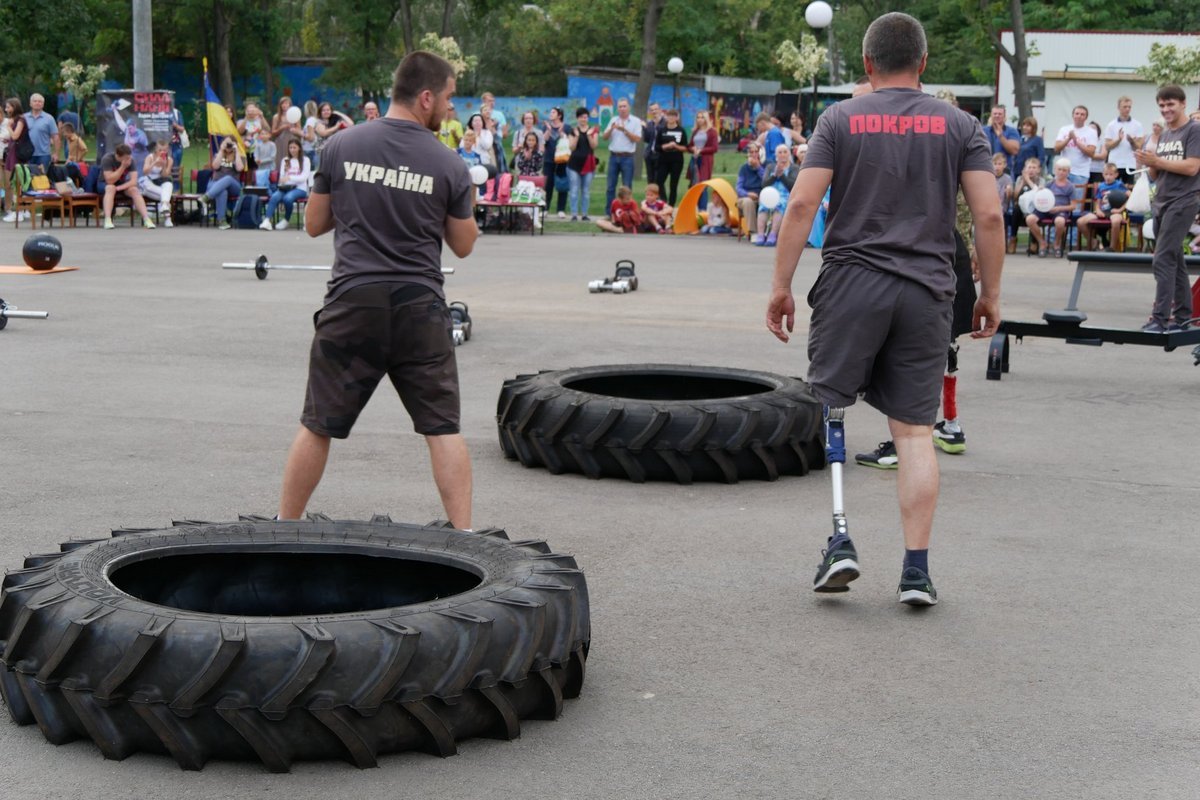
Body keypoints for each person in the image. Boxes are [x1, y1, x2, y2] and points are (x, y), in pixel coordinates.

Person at [765, 12, 1003, 606]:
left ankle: (841, 543)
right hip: (927, 290)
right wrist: (990, 295)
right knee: (916, 432)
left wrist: (781, 285)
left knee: (834, 405)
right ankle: (917, 572)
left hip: (852, 281)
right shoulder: (961, 125)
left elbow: (800, 207)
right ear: (923, 63)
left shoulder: (839, 118)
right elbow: (991, 216)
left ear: (867, 65)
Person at [278, 51, 477, 527]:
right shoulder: (449, 163)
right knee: (442, 428)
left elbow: (313, 224)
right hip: (419, 308)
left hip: (353, 302)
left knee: (317, 425)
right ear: (426, 96)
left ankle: (283, 530)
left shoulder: (340, 147)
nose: (451, 108)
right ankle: (468, 538)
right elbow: (463, 245)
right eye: (448, 98)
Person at [1135, 84, 1200, 333]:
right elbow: (1156, 171)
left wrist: (1157, 160)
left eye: (1170, 104)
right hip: (1162, 200)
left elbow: (1193, 167)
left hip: (1183, 200)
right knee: (1176, 260)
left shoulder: (1194, 130)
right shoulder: (1164, 134)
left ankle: (1160, 318)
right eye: (1162, 105)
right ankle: (1184, 317)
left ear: (1183, 104)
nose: (1166, 109)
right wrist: (1146, 161)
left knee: (1162, 258)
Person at [1025, 157, 1077, 258]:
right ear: (1055, 170)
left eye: (1064, 170)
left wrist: (1058, 209)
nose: (1061, 172)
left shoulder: (1070, 187)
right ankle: (1042, 243)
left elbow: (1073, 206)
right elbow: (1041, 196)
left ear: (1068, 172)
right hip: (1045, 208)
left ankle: (1056, 244)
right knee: (1030, 219)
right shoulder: (1049, 183)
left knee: (1060, 222)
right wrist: (1040, 191)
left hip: (1060, 210)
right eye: (1059, 169)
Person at [100, 143, 156, 229]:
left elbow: (133, 181)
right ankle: (108, 219)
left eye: (129, 157)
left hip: (120, 184)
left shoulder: (131, 160)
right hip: (104, 183)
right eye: (126, 158)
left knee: (134, 190)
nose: (129, 159)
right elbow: (109, 180)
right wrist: (122, 167)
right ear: (118, 156)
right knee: (110, 188)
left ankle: (146, 219)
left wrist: (119, 188)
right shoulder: (107, 159)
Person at [602, 98, 642, 214]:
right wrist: (611, 129)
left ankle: (627, 212)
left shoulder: (635, 121)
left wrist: (624, 130)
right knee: (610, 187)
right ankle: (610, 212)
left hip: (627, 157)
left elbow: (637, 139)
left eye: (624, 106)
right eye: (620, 107)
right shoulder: (614, 120)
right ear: (617, 108)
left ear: (629, 107)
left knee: (627, 186)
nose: (622, 109)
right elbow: (604, 137)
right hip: (614, 157)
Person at [261, 138, 311, 230]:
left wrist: (290, 178)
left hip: (300, 188)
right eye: (290, 147)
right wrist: (284, 179)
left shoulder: (305, 160)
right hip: (286, 187)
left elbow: (304, 177)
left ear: (299, 148)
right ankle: (267, 221)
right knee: (275, 197)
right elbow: (282, 177)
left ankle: (286, 220)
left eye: (294, 147)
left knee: (288, 198)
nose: (292, 150)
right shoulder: (285, 160)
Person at [754, 143, 798, 246]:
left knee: (780, 204)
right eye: (780, 152)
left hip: (785, 195)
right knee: (763, 206)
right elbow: (764, 184)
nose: (782, 154)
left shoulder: (794, 168)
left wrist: (782, 175)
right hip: (769, 194)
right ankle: (760, 234)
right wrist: (774, 175)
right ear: (776, 155)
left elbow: (793, 186)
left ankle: (773, 234)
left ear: (789, 154)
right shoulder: (770, 167)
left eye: (785, 152)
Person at [1077, 162, 1127, 251]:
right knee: (1080, 222)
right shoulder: (1101, 186)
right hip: (1102, 211)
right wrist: (1098, 210)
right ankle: (1093, 241)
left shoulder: (1119, 185)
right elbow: (1097, 201)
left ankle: (1112, 247)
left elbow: (1130, 197)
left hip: (1114, 211)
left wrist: (1120, 209)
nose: (1108, 177)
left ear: (1116, 175)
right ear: (1102, 174)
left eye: (1111, 174)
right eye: (1106, 174)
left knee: (1116, 221)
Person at [206, 136, 245, 230]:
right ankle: (222, 221)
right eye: (226, 143)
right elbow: (215, 166)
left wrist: (237, 151)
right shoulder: (218, 155)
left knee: (228, 178)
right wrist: (221, 150)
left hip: (233, 186)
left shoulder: (240, 156)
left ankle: (207, 196)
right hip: (215, 184)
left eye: (230, 144)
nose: (228, 146)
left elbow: (240, 168)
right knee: (222, 191)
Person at [566, 107, 597, 221]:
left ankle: (584, 214)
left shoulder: (593, 130)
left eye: (585, 117)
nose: (583, 119)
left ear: (588, 118)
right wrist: (577, 136)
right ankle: (574, 214)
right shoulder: (572, 130)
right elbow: (571, 147)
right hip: (574, 165)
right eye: (581, 117)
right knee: (574, 190)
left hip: (588, 165)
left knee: (585, 191)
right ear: (577, 118)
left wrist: (588, 135)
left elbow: (594, 146)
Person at [1104, 96, 1144, 184]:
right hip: (1114, 164)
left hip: (1130, 164)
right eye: (1125, 107)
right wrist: (1118, 140)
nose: (1127, 109)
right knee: (1114, 191)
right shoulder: (1111, 125)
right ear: (1118, 108)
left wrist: (1132, 141)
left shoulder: (1137, 125)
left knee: (1129, 191)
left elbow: (1139, 147)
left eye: (1129, 107)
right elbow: (1107, 146)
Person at [1054, 105, 1097, 185]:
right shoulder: (1064, 129)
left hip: (1080, 173)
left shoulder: (1091, 132)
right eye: (1077, 113)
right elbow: (1056, 148)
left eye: (1082, 114)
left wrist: (1076, 141)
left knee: (1077, 198)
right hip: (1063, 171)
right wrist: (1068, 139)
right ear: (1073, 115)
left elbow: (1091, 153)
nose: (1079, 116)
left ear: (1086, 117)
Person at [2, 98, 29, 222]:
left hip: (17, 155)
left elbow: (15, 135)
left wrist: (8, 127)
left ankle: (19, 211)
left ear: (15, 107)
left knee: (16, 182)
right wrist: (9, 140)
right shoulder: (16, 120)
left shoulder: (20, 120)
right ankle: (20, 210)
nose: (7, 110)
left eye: (8, 107)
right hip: (12, 152)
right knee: (13, 182)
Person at [653, 108, 688, 207]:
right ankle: (663, 202)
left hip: (676, 160)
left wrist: (676, 146)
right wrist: (665, 146)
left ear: (677, 118)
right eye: (669, 116)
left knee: (673, 184)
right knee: (659, 181)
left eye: (673, 116)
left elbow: (685, 147)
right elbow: (656, 147)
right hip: (663, 160)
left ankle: (671, 206)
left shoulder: (681, 130)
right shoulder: (662, 130)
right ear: (666, 117)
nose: (671, 118)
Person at [1011, 157, 1044, 255]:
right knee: (1015, 210)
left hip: (1035, 208)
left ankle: (1034, 242)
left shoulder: (1041, 180)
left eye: (1034, 167)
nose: (1031, 170)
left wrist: (1029, 181)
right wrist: (1022, 182)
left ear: (1038, 170)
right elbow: (1015, 196)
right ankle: (1013, 239)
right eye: (1029, 167)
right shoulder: (1019, 179)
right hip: (1021, 209)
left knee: (1033, 214)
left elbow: (1039, 194)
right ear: (1025, 169)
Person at [138, 140, 175, 227]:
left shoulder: (169, 160)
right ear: (155, 149)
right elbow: (145, 172)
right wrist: (154, 163)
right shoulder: (150, 157)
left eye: (165, 150)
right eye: (160, 150)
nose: (162, 152)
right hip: (148, 183)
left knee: (169, 184)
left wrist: (164, 165)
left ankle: (164, 205)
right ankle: (167, 217)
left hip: (159, 182)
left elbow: (165, 175)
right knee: (166, 195)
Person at [542, 107, 569, 219]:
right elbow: (543, 141)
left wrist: (561, 132)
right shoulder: (546, 127)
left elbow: (568, 141)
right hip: (548, 160)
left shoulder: (566, 127)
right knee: (548, 185)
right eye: (550, 111)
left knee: (562, 184)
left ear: (559, 115)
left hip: (562, 160)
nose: (551, 114)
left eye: (553, 112)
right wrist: (548, 130)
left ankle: (561, 209)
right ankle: (545, 208)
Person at [736, 144, 765, 240]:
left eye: (756, 152)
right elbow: (738, 187)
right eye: (751, 152)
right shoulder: (744, 168)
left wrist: (758, 167)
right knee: (748, 202)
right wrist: (747, 194)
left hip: (760, 195)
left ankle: (765, 231)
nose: (754, 154)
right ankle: (753, 232)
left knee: (765, 200)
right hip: (745, 196)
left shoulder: (765, 165)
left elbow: (766, 180)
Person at [23, 93, 58, 172]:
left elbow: (55, 137)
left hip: (43, 155)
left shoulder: (49, 118)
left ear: (43, 104)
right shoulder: (24, 117)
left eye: (40, 101)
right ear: (30, 103)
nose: (37, 103)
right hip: (27, 154)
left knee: (41, 179)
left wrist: (56, 153)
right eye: (35, 101)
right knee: (27, 178)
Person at [985, 104, 1020, 176]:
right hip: (986, 170)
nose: (997, 116)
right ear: (991, 115)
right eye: (995, 114)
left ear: (1004, 116)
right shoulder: (983, 130)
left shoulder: (1011, 131)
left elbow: (1014, 150)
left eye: (1000, 114)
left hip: (1005, 171)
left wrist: (1001, 136)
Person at [270, 96, 302, 172]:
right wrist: (282, 127)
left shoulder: (295, 114)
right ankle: (280, 176)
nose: (284, 105)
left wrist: (294, 129)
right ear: (280, 105)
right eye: (282, 104)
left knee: (291, 157)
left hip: (292, 139)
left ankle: (293, 174)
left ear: (290, 105)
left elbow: (299, 129)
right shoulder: (276, 117)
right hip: (280, 141)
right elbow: (273, 132)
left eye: (286, 103)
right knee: (281, 159)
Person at [992, 152, 1013, 249]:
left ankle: (1000, 245)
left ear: (1004, 165)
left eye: (999, 164)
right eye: (995, 164)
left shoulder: (1007, 178)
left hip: (1002, 207)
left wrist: (1008, 191)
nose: (997, 167)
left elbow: (1009, 198)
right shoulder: (989, 177)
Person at [237, 101, 266, 170]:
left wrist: (262, 117)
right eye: (249, 110)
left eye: (253, 109)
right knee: (246, 169)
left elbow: (267, 130)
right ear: (246, 111)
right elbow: (240, 131)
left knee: (257, 169)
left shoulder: (260, 120)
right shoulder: (241, 121)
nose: (251, 112)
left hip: (258, 149)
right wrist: (246, 117)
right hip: (245, 148)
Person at [642, 102, 664, 189]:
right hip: (649, 154)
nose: (654, 111)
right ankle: (650, 199)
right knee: (650, 179)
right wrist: (644, 128)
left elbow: (663, 137)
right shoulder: (650, 124)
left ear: (660, 110)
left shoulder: (664, 123)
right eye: (651, 110)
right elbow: (647, 139)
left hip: (660, 155)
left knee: (658, 180)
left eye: (655, 109)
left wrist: (658, 126)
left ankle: (660, 199)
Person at [1086, 121, 1108, 186]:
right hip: (1086, 171)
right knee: (1087, 193)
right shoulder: (1085, 141)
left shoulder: (1102, 141)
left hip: (1098, 171)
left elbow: (1103, 156)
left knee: (1097, 192)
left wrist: (1089, 154)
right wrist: (1095, 155)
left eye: (1094, 128)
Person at [301, 100, 320, 169]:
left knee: (310, 172)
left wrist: (299, 133)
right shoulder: (315, 119)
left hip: (309, 150)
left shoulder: (310, 120)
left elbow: (311, 137)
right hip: (313, 150)